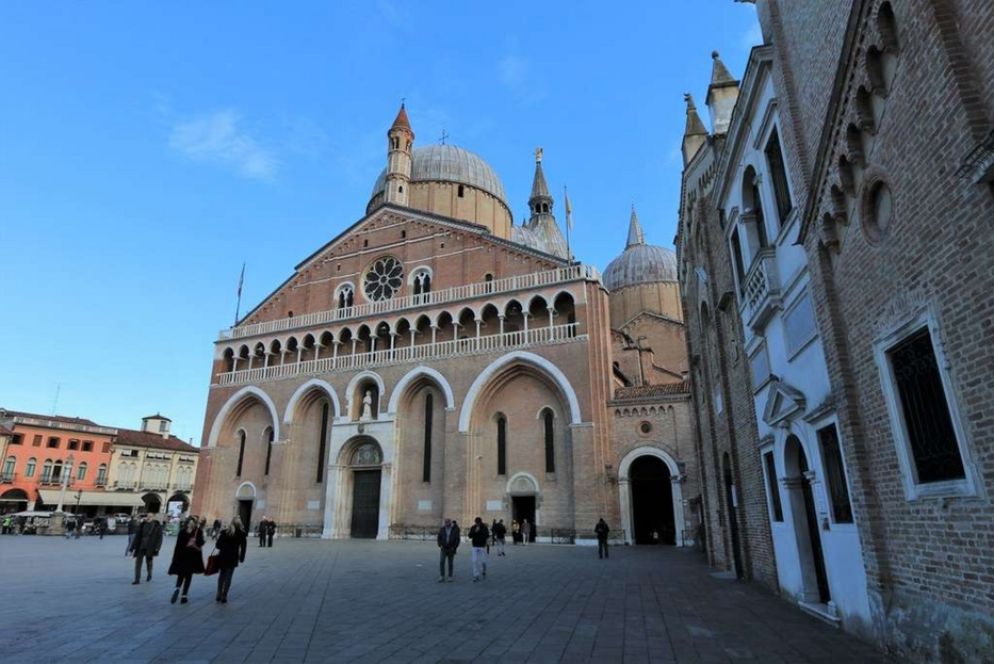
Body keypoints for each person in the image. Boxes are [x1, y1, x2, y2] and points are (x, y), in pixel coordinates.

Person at [168, 516, 205, 604]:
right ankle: (184, 596)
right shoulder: (198, 531)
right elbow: (200, 544)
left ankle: (177, 588)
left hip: (181, 556)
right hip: (191, 557)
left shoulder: (182, 532)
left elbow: (178, 546)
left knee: (181, 574)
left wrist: (175, 557)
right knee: (188, 577)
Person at [214, 516, 248, 603]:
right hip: (233, 557)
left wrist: (224, 547)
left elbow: (217, 545)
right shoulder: (242, 534)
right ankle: (224, 595)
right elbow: (243, 548)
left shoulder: (225, 532)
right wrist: (242, 558)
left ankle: (218, 593)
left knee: (222, 575)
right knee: (229, 576)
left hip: (223, 556)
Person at [130, 513, 163, 584]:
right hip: (141, 546)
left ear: (153, 517)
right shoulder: (142, 525)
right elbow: (137, 536)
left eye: (150, 516)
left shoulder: (157, 526)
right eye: (147, 516)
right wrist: (132, 547)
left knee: (149, 563)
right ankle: (137, 579)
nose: (148, 518)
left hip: (150, 547)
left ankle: (149, 574)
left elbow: (160, 538)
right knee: (138, 563)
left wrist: (157, 547)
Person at [436, 518, 460, 583]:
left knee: (450, 563)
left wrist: (454, 547)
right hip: (443, 548)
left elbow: (457, 539)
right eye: (445, 522)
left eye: (447, 522)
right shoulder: (442, 529)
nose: (446, 524)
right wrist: (439, 544)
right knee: (441, 562)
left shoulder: (454, 530)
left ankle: (450, 576)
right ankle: (442, 576)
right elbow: (439, 537)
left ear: (450, 523)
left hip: (451, 548)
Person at [468, 517, 490, 582]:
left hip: (482, 546)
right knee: (474, 561)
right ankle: (476, 575)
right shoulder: (473, 527)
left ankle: (484, 569)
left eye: (478, 522)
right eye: (476, 522)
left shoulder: (484, 527)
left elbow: (487, 535)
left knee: (483, 561)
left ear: (480, 522)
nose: (477, 524)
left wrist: (480, 530)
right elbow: (470, 536)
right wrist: (475, 531)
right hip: (475, 546)